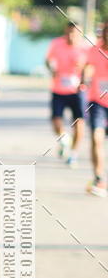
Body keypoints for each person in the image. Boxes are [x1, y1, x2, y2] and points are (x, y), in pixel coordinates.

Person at [45, 21, 86, 166]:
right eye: (68, 32)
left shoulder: (85, 49)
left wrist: (84, 78)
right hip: (58, 90)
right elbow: (48, 60)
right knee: (56, 121)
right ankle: (63, 140)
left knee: (79, 123)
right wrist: (52, 68)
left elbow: (92, 67)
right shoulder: (56, 44)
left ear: (80, 34)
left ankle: (73, 154)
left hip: (78, 91)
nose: (70, 36)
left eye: (74, 33)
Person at [81, 22, 108, 197]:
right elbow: (88, 67)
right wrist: (84, 78)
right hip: (98, 102)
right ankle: (99, 178)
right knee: (96, 139)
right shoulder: (94, 50)